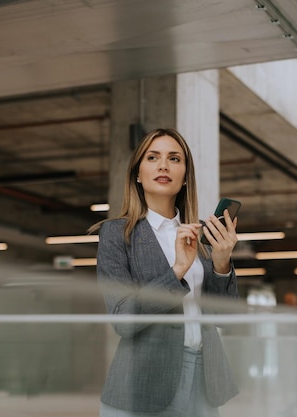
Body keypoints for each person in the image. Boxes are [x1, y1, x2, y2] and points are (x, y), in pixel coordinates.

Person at [90, 127, 239, 416]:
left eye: (174, 158)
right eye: (152, 157)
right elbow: (123, 320)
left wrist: (221, 264)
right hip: (143, 380)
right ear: (137, 173)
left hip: (204, 379)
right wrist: (178, 270)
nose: (163, 165)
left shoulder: (202, 234)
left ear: (185, 176)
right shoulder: (117, 234)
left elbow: (226, 318)